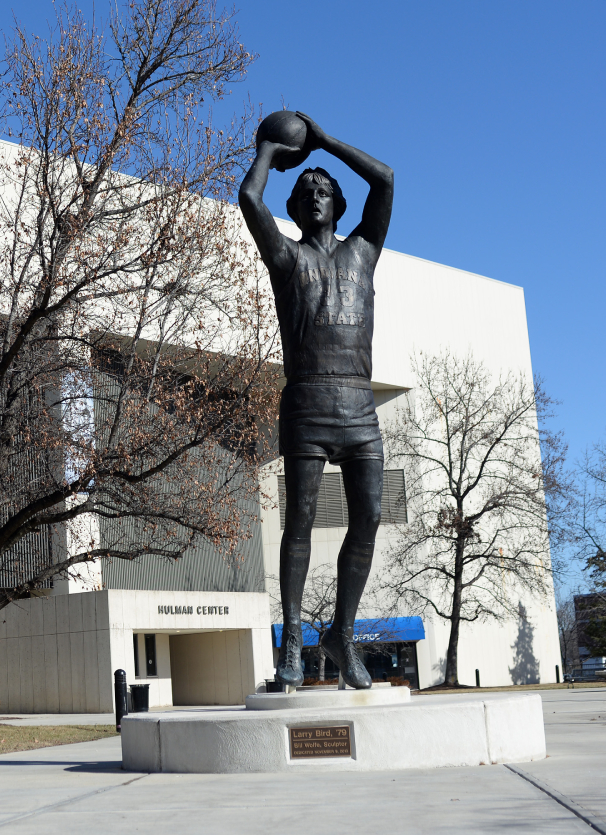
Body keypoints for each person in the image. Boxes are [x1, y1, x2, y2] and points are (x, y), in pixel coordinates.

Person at [238, 112, 394, 689]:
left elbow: (386, 180)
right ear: (297, 208)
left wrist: (323, 139)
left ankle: (342, 636)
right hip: (306, 403)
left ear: (339, 203)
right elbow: (249, 198)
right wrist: (270, 150)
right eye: (306, 189)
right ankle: (294, 648)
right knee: (298, 523)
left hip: (358, 404)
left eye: (325, 188)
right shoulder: (288, 260)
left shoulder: (365, 251)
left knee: (370, 516)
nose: (315, 193)